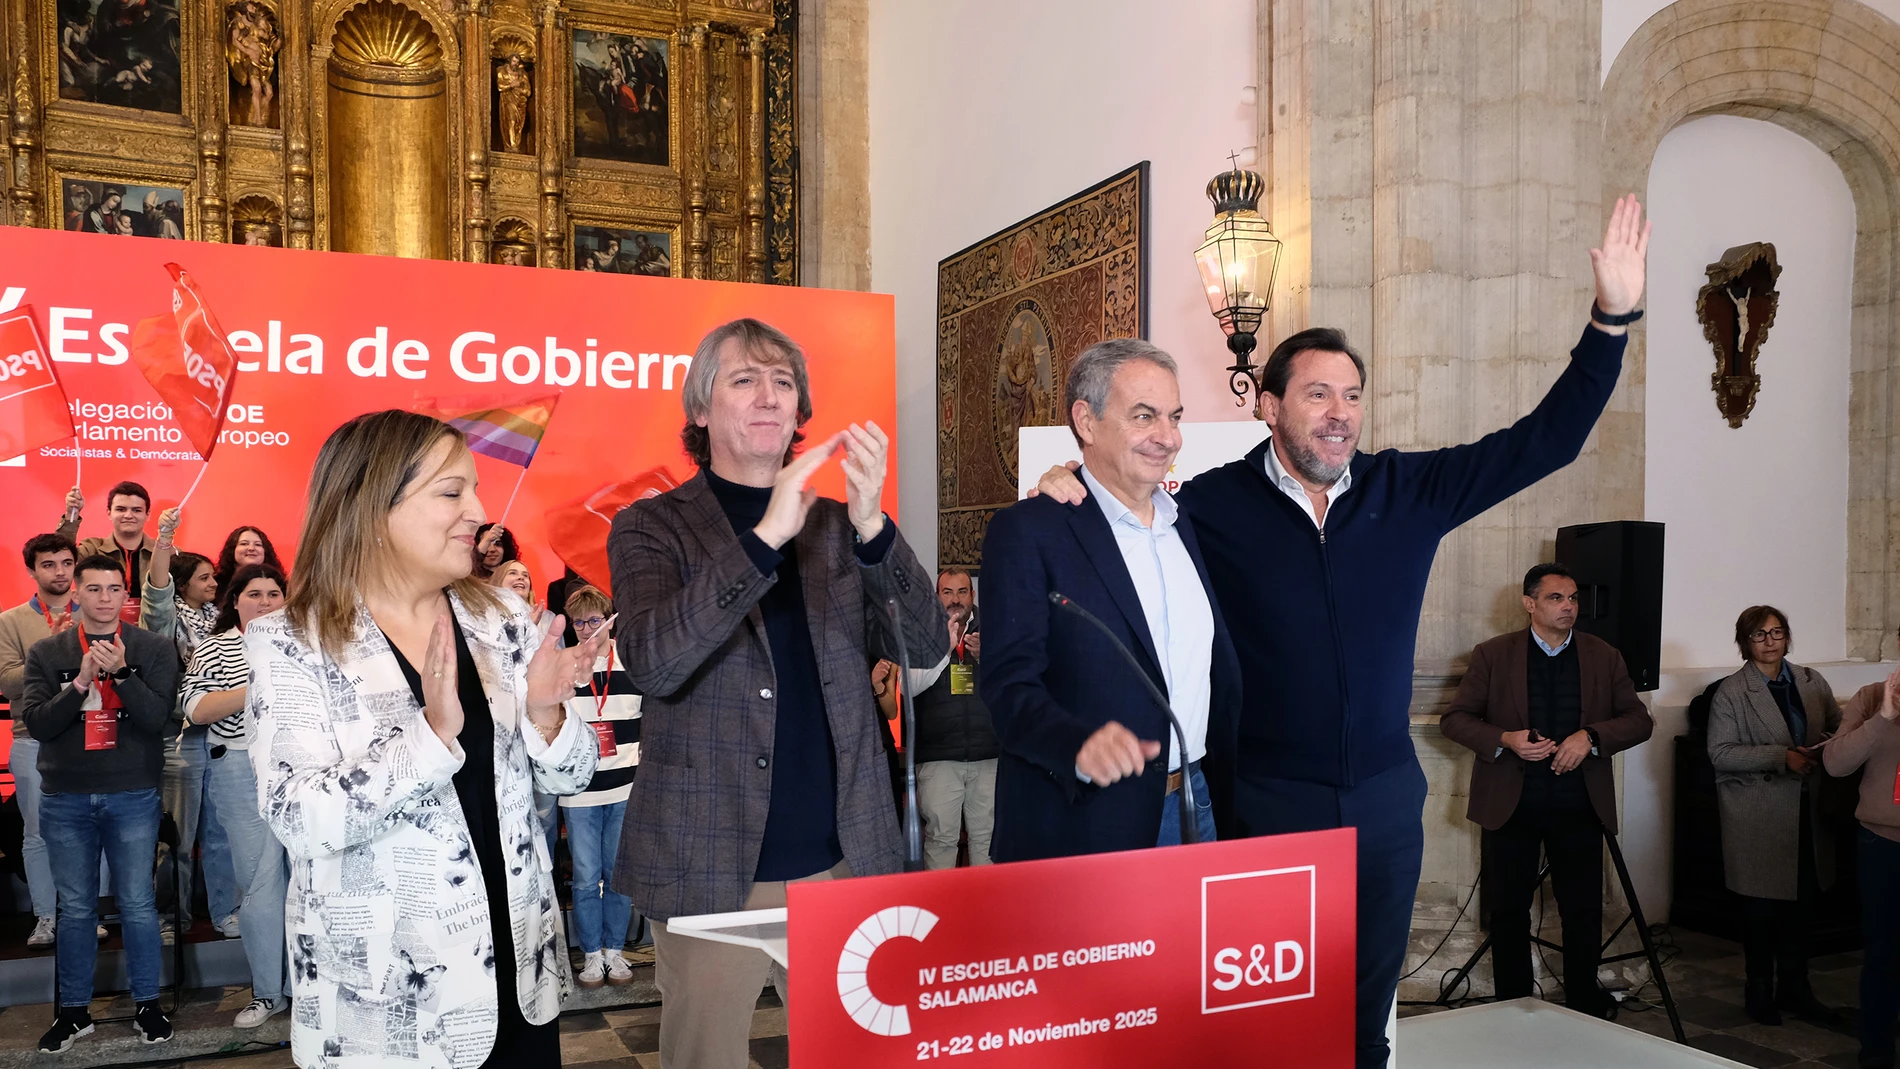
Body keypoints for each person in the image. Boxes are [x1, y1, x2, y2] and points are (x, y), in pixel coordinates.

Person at [1032, 196, 1651, 1067]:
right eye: (1317, 393)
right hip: (1267, 806)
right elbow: (1118, 517)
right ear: (1271, 406)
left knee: (1364, 1022)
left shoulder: (1411, 492)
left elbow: (1546, 441)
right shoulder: (1209, 505)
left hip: (1384, 803)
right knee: (1265, 1023)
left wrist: (1611, 318)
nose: (1339, 413)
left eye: (1352, 396)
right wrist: (1068, 478)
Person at [607, 317, 945, 1069]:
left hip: (842, 860)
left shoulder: (836, 528)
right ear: (700, 409)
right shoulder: (651, 527)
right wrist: (763, 539)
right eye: (744, 379)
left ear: (801, 413)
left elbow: (924, 645)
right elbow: (657, 661)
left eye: (784, 382)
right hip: (710, 863)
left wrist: (872, 524)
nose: (769, 395)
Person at [246, 410, 608, 1068]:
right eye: (451, 491)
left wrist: (549, 716)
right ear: (370, 503)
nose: (478, 510)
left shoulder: (498, 615)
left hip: (518, 977)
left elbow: (572, 775)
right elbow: (296, 815)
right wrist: (430, 737)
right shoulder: (290, 638)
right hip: (387, 1012)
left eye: (474, 488)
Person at [985, 338, 1240, 861]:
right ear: (1086, 420)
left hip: (1195, 808)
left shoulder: (1186, 522)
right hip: (1081, 824)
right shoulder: (1031, 530)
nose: (1167, 438)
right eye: (1144, 416)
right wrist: (1076, 745)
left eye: (1174, 417)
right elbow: (1008, 686)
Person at [1437, 563, 1653, 1017]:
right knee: (1509, 909)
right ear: (1529, 603)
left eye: (1573, 598)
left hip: (1578, 802)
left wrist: (1590, 737)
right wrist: (1506, 740)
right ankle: (1512, 1003)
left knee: (1581, 909)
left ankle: (1582, 999)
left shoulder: (1603, 655)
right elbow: (1455, 719)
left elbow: (1638, 720)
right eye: (1556, 598)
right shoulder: (1493, 654)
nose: (1569, 607)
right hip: (1513, 803)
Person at [22, 554, 179, 1051]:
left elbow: (158, 719)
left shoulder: (152, 647)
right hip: (65, 796)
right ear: (78, 594)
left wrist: (125, 676)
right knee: (75, 908)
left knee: (136, 902)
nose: (105, 598)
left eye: (114, 589)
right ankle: (73, 1013)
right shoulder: (48, 652)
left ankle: (148, 1006)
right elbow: (39, 723)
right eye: (94, 589)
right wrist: (82, 683)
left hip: (132, 793)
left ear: (125, 596)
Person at [1707, 605, 1843, 1026]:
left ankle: (1797, 988)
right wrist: (1780, 757)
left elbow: (1840, 726)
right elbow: (1720, 753)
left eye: (1777, 633)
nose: (1769, 642)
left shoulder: (1809, 680)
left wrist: (1825, 746)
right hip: (1758, 813)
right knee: (1761, 909)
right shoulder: (1732, 691)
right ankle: (1760, 989)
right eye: (1759, 635)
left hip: (1807, 809)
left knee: (1802, 904)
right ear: (1744, 642)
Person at [178, 562, 290, 1028]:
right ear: (235, 600)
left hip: (302, 767)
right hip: (241, 768)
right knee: (261, 883)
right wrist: (256, 687)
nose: (264, 602)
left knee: (312, 880)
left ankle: (313, 985)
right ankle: (268, 991)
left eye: (273, 594)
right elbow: (196, 707)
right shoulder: (216, 647)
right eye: (254, 594)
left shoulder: (306, 643)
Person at [559, 584, 643, 988]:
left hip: (626, 785)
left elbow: (651, 716)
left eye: (595, 619)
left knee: (619, 872)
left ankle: (616, 951)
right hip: (579, 790)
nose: (587, 628)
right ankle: (591, 955)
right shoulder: (563, 664)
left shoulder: (632, 661)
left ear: (610, 619)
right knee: (586, 875)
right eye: (579, 621)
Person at [0, 534, 80, 949]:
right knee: (37, 833)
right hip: (31, 739)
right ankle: (46, 917)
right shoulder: (11, 620)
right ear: (32, 570)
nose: (60, 572)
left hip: (87, 739)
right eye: (49, 564)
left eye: (66, 562)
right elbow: (7, 682)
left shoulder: (96, 610)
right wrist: (49, 650)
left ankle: (86, 914)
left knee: (88, 828)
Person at [1822, 659, 1900, 1068]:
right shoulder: (1871, 697)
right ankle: (1877, 1053)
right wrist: (1884, 717)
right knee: (1882, 954)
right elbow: (1835, 763)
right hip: (1882, 843)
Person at [900, 569, 999, 868]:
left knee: (987, 838)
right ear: (936, 595)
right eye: (947, 592)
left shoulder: (996, 628)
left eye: (962, 591)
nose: (955, 599)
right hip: (939, 758)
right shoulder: (919, 630)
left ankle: (985, 913)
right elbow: (909, 687)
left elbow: (1014, 684)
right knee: (941, 840)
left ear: (973, 595)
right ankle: (941, 914)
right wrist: (943, 648)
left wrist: (988, 657)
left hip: (989, 755)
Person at [56, 481, 164, 626]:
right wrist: (71, 515)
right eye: (120, 509)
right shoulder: (93, 548)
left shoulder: (165, 554)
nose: (128, 515)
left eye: (137, 510)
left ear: (148, 514)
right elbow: (61, 557)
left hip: (154, 631)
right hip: (100, 629)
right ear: (109, 513)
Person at [212, 525, 283, 595]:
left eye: (258, 545)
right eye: (244, 544)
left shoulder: (279, 583)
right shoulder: (215, 584)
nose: (251, 548)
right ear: (232, 550)